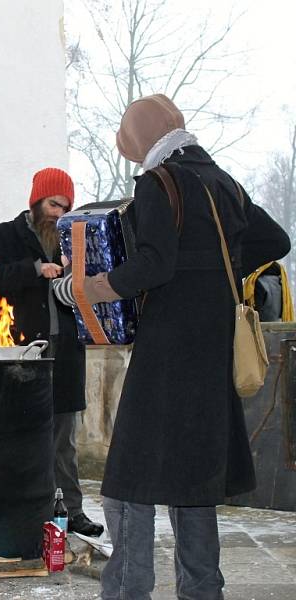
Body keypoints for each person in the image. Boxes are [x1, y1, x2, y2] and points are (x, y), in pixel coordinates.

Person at [67, 94, 290, 599]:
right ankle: (202, 591)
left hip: (167, 352)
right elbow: (275, 240)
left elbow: (154, 265)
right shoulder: (222, 182)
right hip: (211, 354)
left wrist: (90, 288)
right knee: (194, 485)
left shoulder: (159, 182)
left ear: (142, 137)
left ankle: (128, 592)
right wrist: (219, 268)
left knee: (128, 482)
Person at [0, 167, 105, 538]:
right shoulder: (2, 237)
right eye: (52, 204)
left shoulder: (73, 244)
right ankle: (16, 512)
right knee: (16, 438)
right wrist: (35, 269)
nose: (58, 214)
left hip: (65, 355)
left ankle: (70, 512)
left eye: (65, 208)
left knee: (63, 443)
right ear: (35, 201)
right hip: (18, 356)